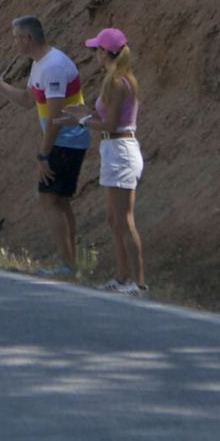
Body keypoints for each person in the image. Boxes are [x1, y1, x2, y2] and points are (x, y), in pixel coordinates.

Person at [0, 15, 90, 276]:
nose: (14, 43)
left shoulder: (53, 66)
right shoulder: (40, 64)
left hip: (66, 140)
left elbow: (54, 118)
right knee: (60, 201)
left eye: (15, 38)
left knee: (48, 200)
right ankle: (71, 263)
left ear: (26, 39)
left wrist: (43, 155)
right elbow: (27, 100)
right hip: (65, 139)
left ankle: (68, 265)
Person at [63, 28, 145, 294]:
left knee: (124, 219)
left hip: (120, 149)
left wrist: (84, 119)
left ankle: (138, 283)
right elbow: (106, 118)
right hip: (113, 149)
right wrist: (83, 113)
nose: (95, 54)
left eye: (97, 50)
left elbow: (110, 124)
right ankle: (122, 278)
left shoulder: (118, 82)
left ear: (106, 52)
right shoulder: (115, 80)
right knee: (114, 219)